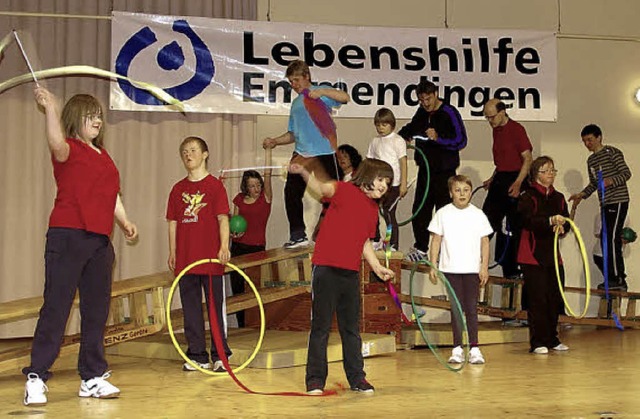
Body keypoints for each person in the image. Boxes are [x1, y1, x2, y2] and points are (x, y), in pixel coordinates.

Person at [23, 87, 138, 406]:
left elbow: (113, 194)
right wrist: (50, 108)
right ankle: (36, 377)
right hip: (67, 236)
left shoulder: (105, 157)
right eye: (90, 115)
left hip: (100, 242)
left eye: (99, 115)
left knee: (96, 312)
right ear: (75, 119)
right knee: (56, 308)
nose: (97, 120)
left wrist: (124, 221)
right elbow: (55, 143)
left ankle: (91, 377)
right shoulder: (69, 148)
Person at [289, 158, 395, 395]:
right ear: (368, 175)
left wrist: (377, 267)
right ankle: (315, 380)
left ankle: (358, 378)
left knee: (351, 329)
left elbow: (364, 241)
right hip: (325, 269)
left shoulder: (372, 209)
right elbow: (321, 188)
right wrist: (305, 171)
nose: (383, 186)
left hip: (350, 273)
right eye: (380, 179)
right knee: (321, 327)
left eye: (387, 183)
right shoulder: (345, 190)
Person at [263, 60, 350, 248]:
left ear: (306, 77)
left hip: (325, 153)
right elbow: (293, 134)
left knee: (334, 197)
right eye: (291, 82)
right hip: (301, 154)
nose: (294, 85)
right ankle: (298, 235)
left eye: (296, 80)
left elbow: (345, 97)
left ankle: (336, 235)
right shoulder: (295, 104)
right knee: (291, 193)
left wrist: (323, 92)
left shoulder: (320, 92)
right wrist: (275, 141)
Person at [167, 136, 232, 372]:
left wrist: (224, 247)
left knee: (215, 308)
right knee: (191, 309)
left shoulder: (215, 186)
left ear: (205, 154)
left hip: (211, 258)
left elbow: (223, 218)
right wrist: (173, 252)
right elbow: (173, 222)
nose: (188, 154)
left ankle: (220, 355)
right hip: (186, 260)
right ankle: (197, 355)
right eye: (184, 151)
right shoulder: (177, 189)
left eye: (193, 150)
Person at [398, 79, 467, 262]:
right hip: (425, 170)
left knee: (444, 212)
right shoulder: (421, 112)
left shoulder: (449, 112)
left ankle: (445, 251)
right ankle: (421, 248)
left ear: (436, 94)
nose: (425, 103)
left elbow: (461, 140)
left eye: (428, 99)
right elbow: (411, 128)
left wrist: (439, 139)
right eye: (421, 100)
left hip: (445, 171)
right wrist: (401, 139)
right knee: (420, 209)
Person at [428, 175, 492, 365]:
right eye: (458, 190)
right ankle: (457, 348)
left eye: (466, 190)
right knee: (456, 309)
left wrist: (484, 266)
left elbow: (485, 242)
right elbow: (436, 241)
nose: (462, 194)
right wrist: (433, 264)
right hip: (451, 269)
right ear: (451, 193)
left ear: (471, 192)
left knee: (471, 308)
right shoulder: (443, 213)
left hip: (472, 269)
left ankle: (474, 348)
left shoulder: (478, 214)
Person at [517, 156, 570, 354]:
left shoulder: (559, 198)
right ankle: (538, 341)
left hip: (553, 255)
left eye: (553, 170)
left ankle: (552, 339)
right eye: (546, 170)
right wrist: (549, 221)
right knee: (537, 299)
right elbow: (526, 220)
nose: (550, 174)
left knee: (554, 297)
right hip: (532, 254)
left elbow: (566, 223)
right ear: (536, 174)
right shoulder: (528, 196)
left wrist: (562, 227)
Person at [569, 124, 632, 291]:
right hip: (605, 202)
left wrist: (610, 181)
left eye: (590, 140)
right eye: (584, 141)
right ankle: (613, 278)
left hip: (618, 200)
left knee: (612, 239)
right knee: (607, 240)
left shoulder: (612, 153)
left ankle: (618, 278)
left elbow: (626, 173)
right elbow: (594, 184)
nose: (587, 144)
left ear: (599, 137)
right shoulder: (591, 160)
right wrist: (582, 195)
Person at [481, 99, 533, 280]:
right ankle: (477, 262)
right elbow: (503, 161)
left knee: (513, 226)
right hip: (501, 178)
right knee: (486, 221)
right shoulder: (496, 131)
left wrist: (519, 182)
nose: (490, 121)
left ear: (502, 112)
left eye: (492, 117)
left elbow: (527, 158)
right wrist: (493, 178)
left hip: (516, 178)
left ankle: (512, 269)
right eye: (487, 118)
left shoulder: (517, 129)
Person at [230, 161, 272, 327]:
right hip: (238, 247)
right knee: (238, 289)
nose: (257, 189)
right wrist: (233, 233)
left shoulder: (265, 198)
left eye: (258, 185)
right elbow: (234, 222)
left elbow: (268, 174)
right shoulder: (239, 199)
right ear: (245, 187)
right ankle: (242, 325)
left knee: (254, 288)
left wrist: (269, 148)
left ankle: (255, 324)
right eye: (252, 186)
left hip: (256, 249)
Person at [367, 108, 408, 251]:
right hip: (376, 186)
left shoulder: (398, 140)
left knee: (388, 213)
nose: (380, 128)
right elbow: (370, 161)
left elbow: (403, 162)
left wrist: (403, 183)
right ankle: (376, 239)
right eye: (378, 125)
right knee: (372, 212)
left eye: (384, 125)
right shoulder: (375, 141)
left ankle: (393, 244)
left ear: (392, 124)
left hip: (393, 185)